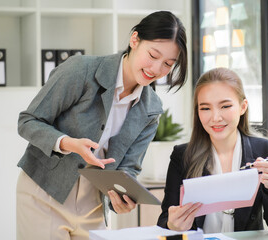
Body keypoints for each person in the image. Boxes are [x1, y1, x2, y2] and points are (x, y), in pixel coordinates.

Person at [16, 11, 187, 240]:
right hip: (44, 193)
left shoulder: (151, 108)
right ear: (134, 40)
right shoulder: (82, 70)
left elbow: (129, 167)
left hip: (94, 206)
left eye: (168, 64)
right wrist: (69, 143)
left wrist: (122, 199)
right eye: (153, 55)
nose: (156, 69)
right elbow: (28, 121)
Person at [157, 68, 268, 233]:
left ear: (243, 107)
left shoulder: (266, 150)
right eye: (205, 108)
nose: (215, 118)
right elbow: (164, 220)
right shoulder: (182, 156)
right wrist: (172, 225)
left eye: (225, 106)